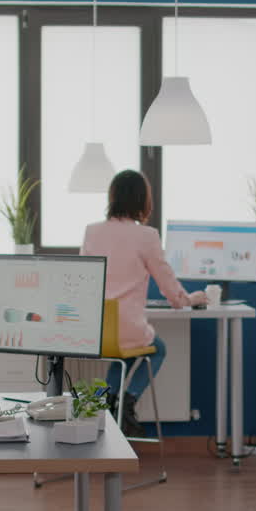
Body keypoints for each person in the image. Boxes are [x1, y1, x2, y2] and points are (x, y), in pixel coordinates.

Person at [81, 169, 206, 437]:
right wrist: (190, 299)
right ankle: (129, 400)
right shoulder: (146, 236)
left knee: (121, 356)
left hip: (96, 328)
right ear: (142, 200)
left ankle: (107, 402)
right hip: (128, 328)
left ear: (113, 197)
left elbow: (84, 281)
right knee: (157, 349)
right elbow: (169, 288)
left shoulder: (92, 232)